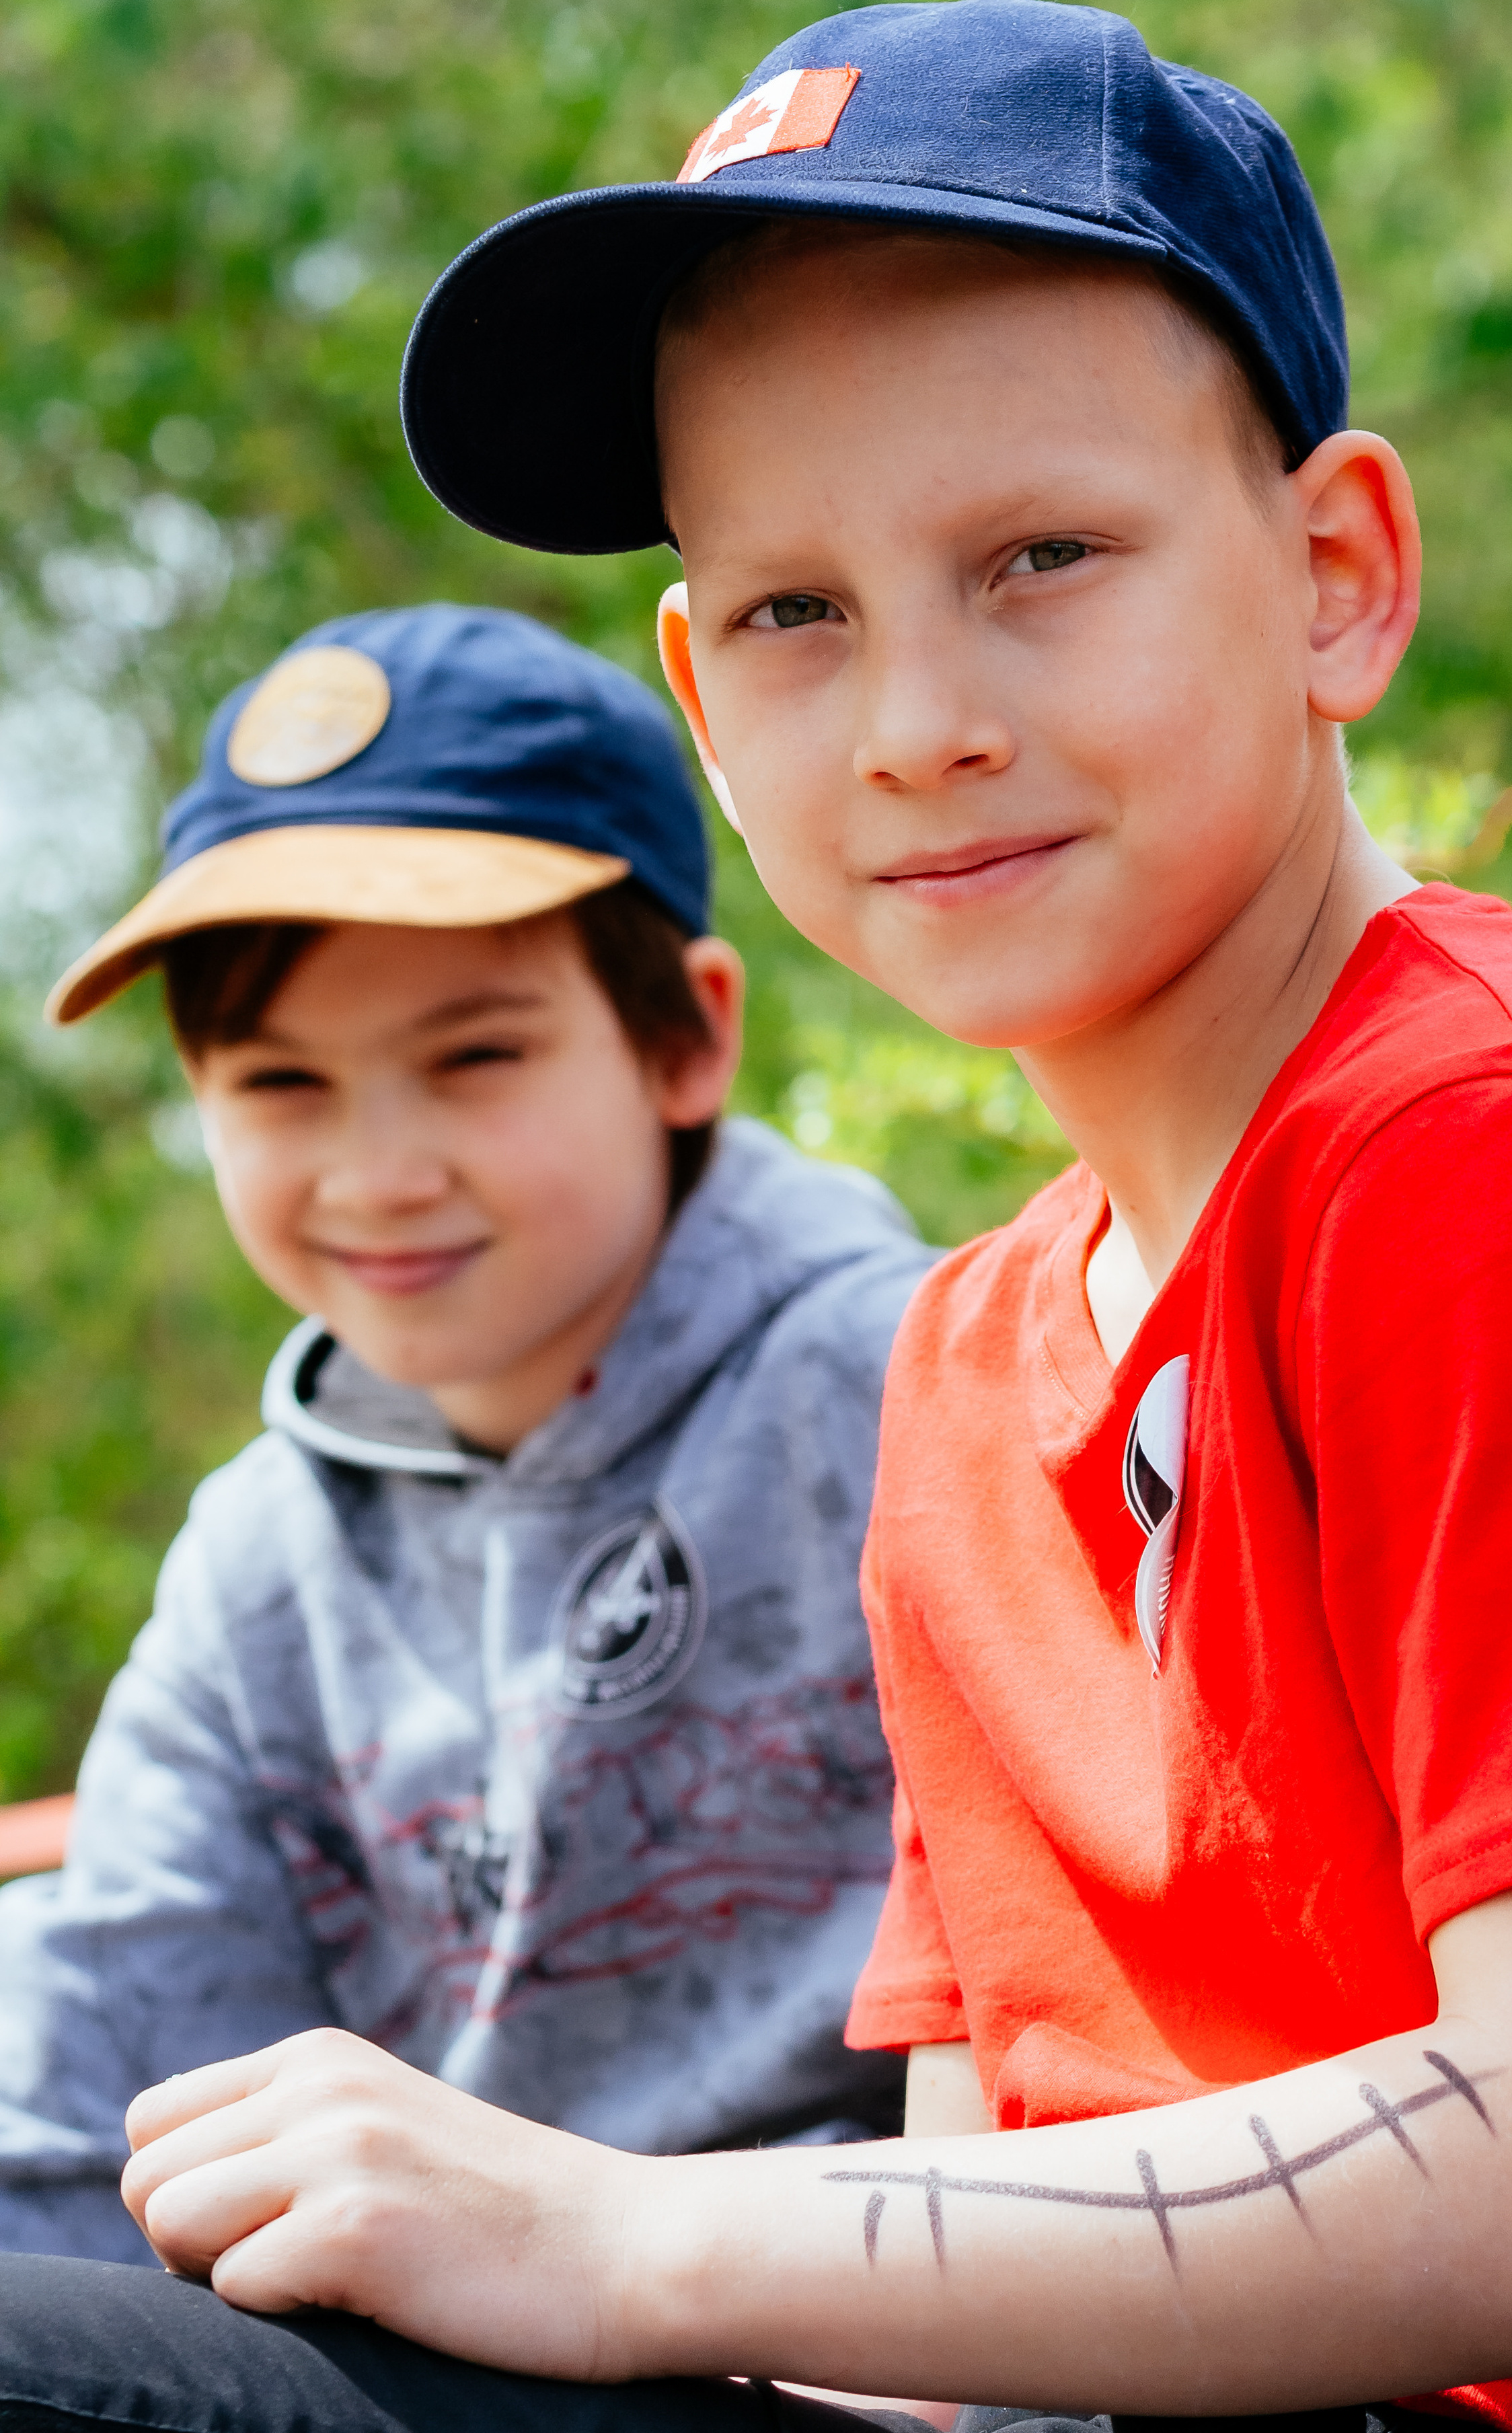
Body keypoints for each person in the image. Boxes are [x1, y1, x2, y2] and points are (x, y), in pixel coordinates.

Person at [4, 0, 1512, 2433]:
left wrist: (631, 2235)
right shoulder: (981, 1350)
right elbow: (974, 2228)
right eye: (801, 613)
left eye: (1040, 554)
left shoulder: (1501, 1155)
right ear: (703, 701)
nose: (917, 715)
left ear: (1337, 572)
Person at [0, 599, 934, 2266]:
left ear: (687, 1036)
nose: (378, 1175)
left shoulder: (909, 1397)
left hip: (867, 2317)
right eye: (281, 1086)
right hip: (440, 2353)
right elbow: (103, 2079)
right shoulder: (264, 1562)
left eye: (475, 1056)